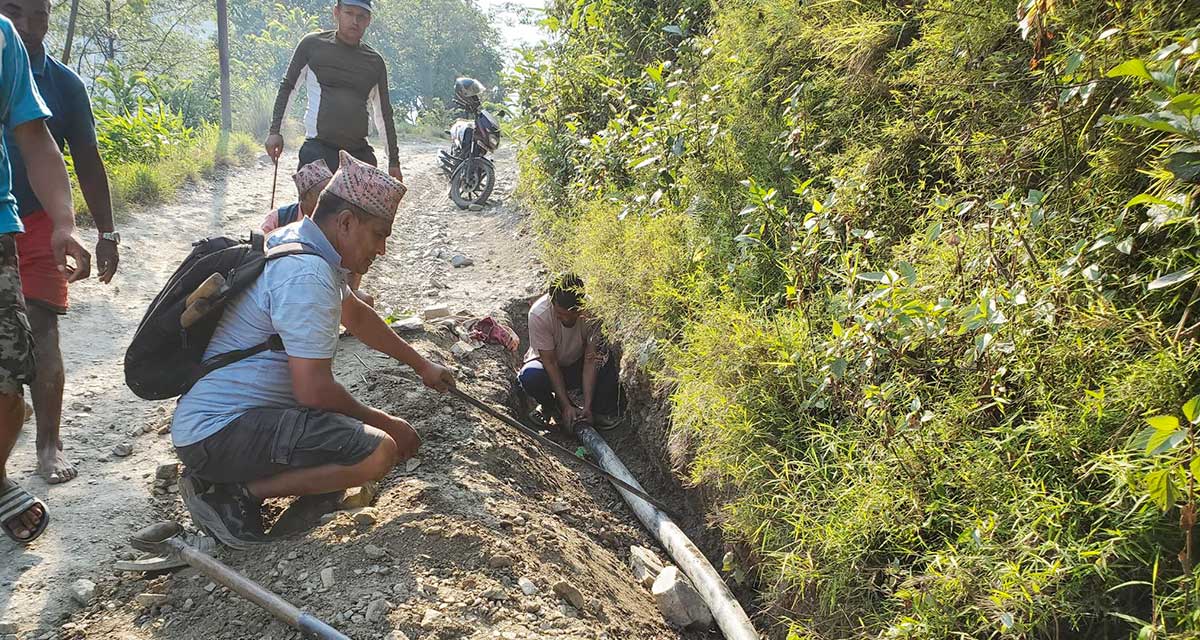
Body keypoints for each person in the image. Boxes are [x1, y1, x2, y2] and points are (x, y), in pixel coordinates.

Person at [172, 151, 452, 546]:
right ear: (346, 222)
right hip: (217, 432)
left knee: (351, 440)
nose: (382, 250)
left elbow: (355, 317)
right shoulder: (307, 274)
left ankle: (233, 479)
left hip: (219, 424)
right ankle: (231, 495)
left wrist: (421, 365)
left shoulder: (302, 242)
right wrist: (389, 425)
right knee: (377, 452)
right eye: (379, 235)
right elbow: (314, 391)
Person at [2, 0, 119, 485]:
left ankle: (49, 445)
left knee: (42, 331)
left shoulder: (63, 84)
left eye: (37, 13)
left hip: (28, 220)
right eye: (14, 10)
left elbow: (79, 159)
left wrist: (95, 228)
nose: (27, 26)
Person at [0, 13, 91, 544]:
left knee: (12, 374)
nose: (30, 22)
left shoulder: (3, 41)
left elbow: (37, 139)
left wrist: (66, 223)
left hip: (7, 231)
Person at [263, 0, 402, 182]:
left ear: (368, 20)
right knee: (312, 209)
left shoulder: (375, 62)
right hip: (317, 150)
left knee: (362, 210)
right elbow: (289, 87)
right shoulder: (312, 45)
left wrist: (393, 161)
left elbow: (384, 114)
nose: (355, 21)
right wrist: (275, 131)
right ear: (336, 12)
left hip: (358, 153)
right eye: (349, 13)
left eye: (361, 16)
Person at [518, 274, 621, 430]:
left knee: (605, 360)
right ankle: (551, 407)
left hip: (579, 364)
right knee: (530, 375)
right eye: (560, 314)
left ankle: (597, 411)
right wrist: (565, 405)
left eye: (570, 314)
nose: (565, 319)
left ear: (580, 306)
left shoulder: (593, 312)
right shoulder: (539, 314)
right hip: (550, 367)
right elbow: (550, 362)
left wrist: (586, 405)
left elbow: (590, 359)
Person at [260, 159, 332, 235]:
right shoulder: (278, 218)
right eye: (323, 194)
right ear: (306, 196)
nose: (330, 200)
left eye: (332, 193)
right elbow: (261, 242)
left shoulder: (338, 221)